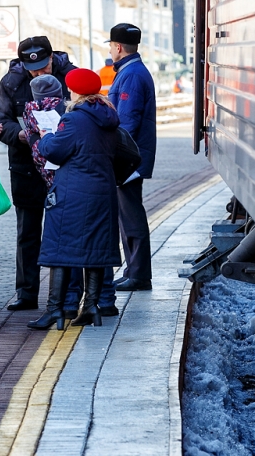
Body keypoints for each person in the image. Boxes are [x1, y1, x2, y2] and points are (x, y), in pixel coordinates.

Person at [27, 69, 120, 330]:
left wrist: (46, 138)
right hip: (102, 192)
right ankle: (91, 307)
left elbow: (54, 152)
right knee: (94, 251)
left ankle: (54, 310)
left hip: (74, 192)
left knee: (60, 250)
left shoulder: (74, 120)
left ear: (76, 92)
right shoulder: (108, 117)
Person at [0, 36, 76, 311]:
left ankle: (64, 296)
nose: (39, 73)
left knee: (64, 229)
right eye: (33, 69)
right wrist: (20, 136)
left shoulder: (69, 75)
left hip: (61, 164)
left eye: (43, 66)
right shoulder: (11, 82)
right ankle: (26, 292)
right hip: (25, 165)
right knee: (27, 230)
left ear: (53, 57)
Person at [107, 23, 157, 292]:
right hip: (131, 157)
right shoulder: (132, 71)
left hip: (129, 159)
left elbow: (126, 121)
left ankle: (138, 274)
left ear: (117, 47)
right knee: (128, 215)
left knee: (131, 216)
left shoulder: (132, 76)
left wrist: (114, 152)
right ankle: (133, 271)